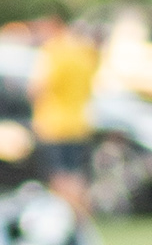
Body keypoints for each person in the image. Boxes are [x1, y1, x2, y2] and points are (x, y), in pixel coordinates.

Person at [30, 13, 102, 209]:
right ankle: (81, 215)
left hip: (54, 124)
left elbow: (38, 87)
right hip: (80, 122)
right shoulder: (84, 52)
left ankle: (68, 214)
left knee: (59, 176)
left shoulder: (53, 52)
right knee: (76, 175)